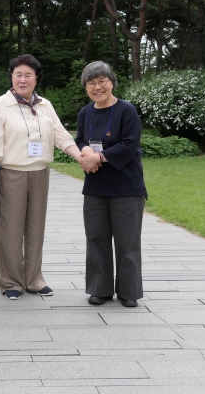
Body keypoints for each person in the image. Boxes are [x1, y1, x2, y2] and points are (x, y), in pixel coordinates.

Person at [0, 54, 83, 300]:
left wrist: (81, 158)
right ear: (11, 78)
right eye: (18, 75)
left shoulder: (45, 105)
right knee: (11, 230)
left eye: (28, 75)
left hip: (39, 173)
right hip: (12, 173)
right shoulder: (1, 104)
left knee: (36, 228)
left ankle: (34, 279)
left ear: (37, 78)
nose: (22, 80)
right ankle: (11, 281)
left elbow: (60, 135)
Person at [75, 61, 148, 308]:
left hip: (126, 188)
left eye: (102, 81)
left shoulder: (126, 110)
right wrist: (86, 152)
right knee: (96, 239)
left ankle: (129, 291)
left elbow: (129, 144)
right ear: (86, 87)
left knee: (128, 242)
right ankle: (100, 289)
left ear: (112, 82)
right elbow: (80, 139)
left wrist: (99, 158)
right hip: (95, 187)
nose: (97, 87)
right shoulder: (85, 113)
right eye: (91, 83)